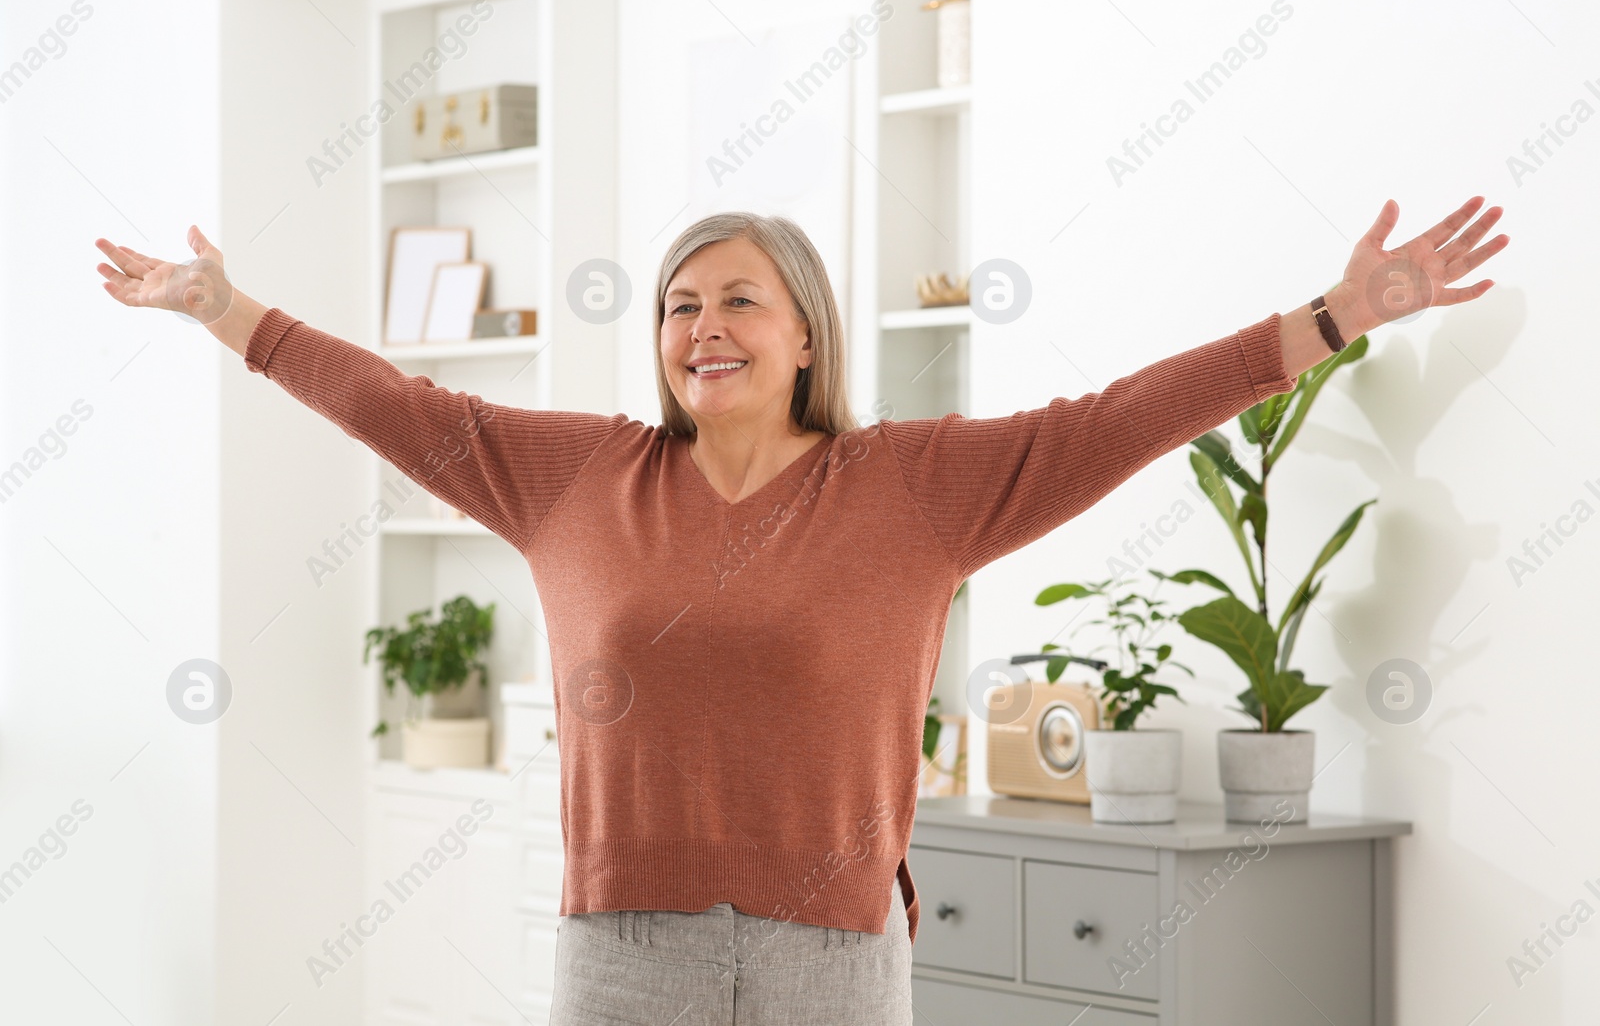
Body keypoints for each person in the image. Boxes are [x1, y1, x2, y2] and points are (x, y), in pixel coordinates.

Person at [93, 196, 1506, 1025]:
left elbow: (1117, 421)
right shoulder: (575, 476)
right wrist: (231, 312)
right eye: (678, 305)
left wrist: (1324, 321)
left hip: (835, 949)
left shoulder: (918, 486)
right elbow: (394, 409)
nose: (703, 324)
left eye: (740, 301)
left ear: (806, 332)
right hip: (619, 943)